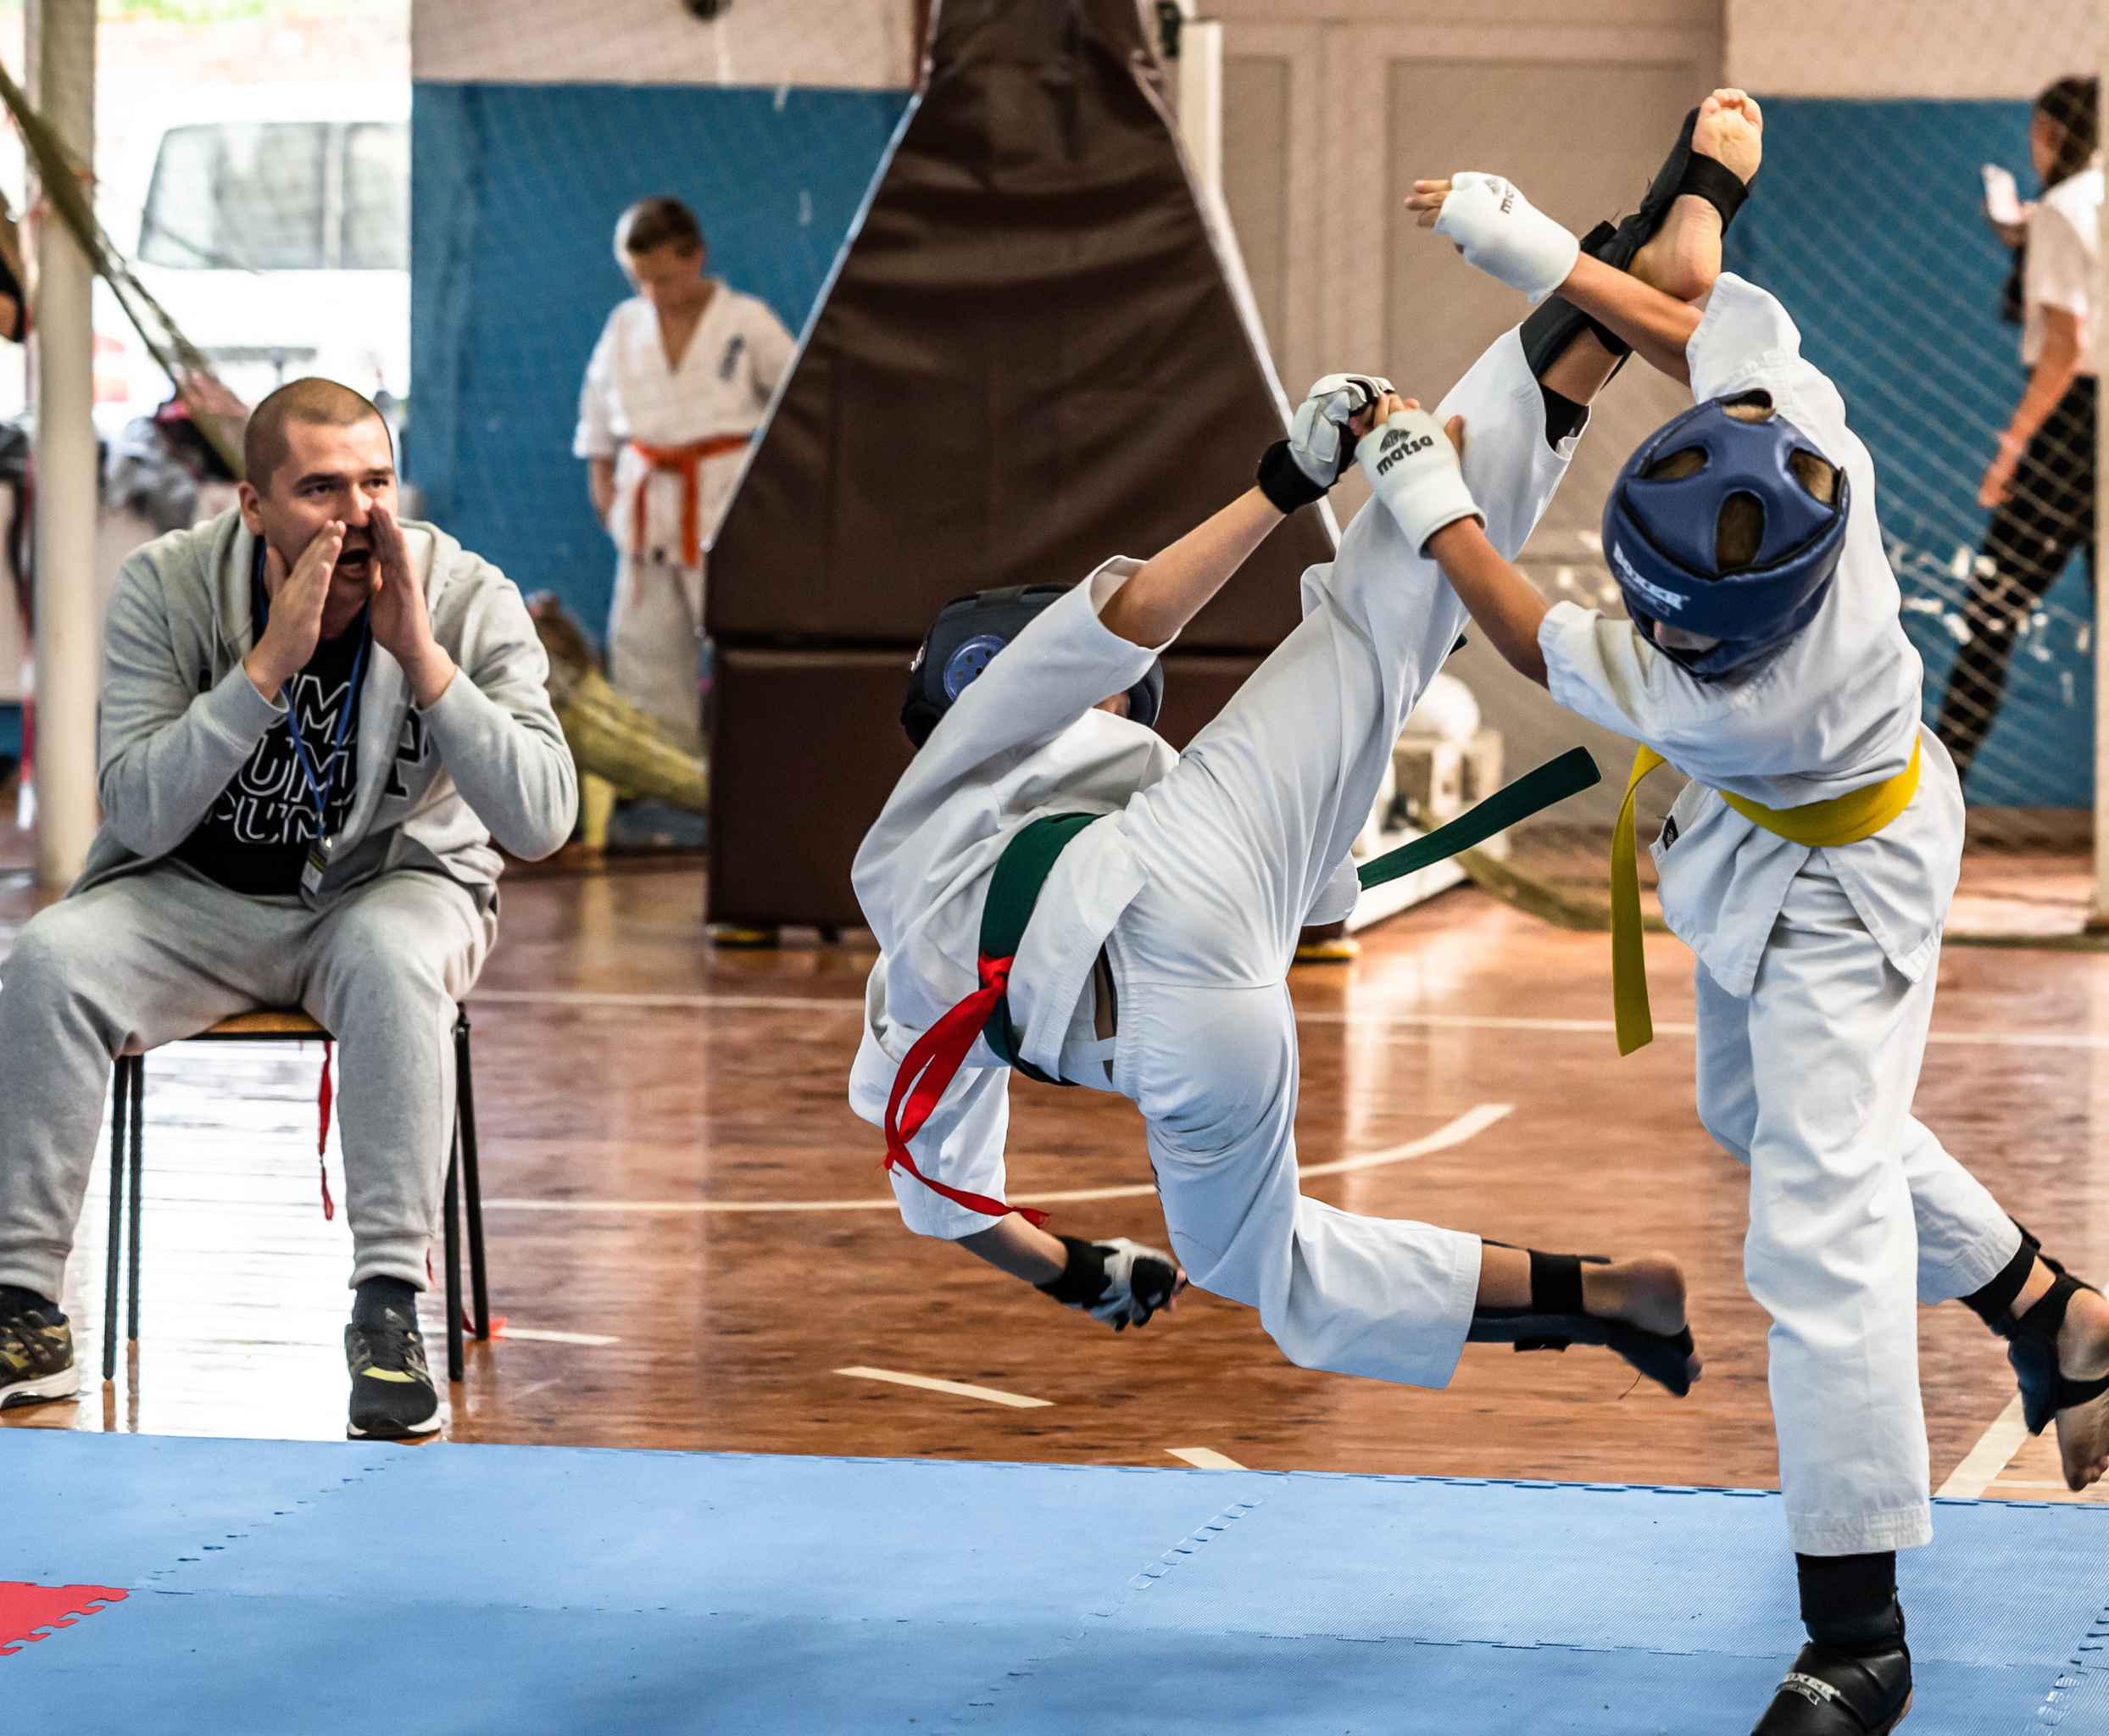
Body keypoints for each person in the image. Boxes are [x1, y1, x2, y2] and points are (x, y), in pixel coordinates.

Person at [844, 102, 1782, 1422]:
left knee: (1261, 1266)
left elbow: (936, 1190)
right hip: (1196, 867)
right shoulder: (998, 759)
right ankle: (1631, 261)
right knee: (1388, 594)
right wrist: (1288, 480)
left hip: (1186, 1037)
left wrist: (1079, 1274)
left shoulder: (899, 912)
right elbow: (1132, 618)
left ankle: (1595, 1296)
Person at [1413, 95, 2109, 1733]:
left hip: (1849, 892)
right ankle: (2045, 1306)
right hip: (1774, 835)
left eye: (1678, 628)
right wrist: (1696, 193)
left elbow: (1518, 628)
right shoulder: (1811, 446)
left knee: (1817, 1225)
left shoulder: (1718, 698)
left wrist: (1423, 493)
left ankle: (1858, 1632)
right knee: (1757, 1114)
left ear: (1721, 637)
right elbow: (1694, 316)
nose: (1662, 635)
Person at [0, 378, 576, 1440]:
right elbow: (136, 806)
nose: (357, 514)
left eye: (375, 483)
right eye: (320, 489)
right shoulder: (167, 585)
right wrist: (266, 667)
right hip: (193, 898)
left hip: (390, 889)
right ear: (253, 505)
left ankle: (387, 1308)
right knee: (50, 958)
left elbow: (542, 820)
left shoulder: (463, 593)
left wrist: (425, 658)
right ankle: (24, 1306)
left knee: (395, 959)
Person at [573, 197, 796, 763]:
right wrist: (602, 478)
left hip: (723, 501)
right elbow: (596, 411)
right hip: (646, 503)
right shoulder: (624, 325)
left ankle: (758, 770)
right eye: (638, 280)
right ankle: (663, 785)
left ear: (696, 256)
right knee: (643, 649)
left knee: (743, 640)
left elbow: (798, 404)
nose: (652, 293)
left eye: (665, 278)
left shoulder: (746, 321)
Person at [1934, 76, 2101, 782]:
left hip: (2072, 428)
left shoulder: (2063, 209)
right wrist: (2032, 235)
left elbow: (2066, 345)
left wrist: (2011, 448)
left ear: (2053, 133)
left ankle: (1936, 795)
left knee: (1992, 610)